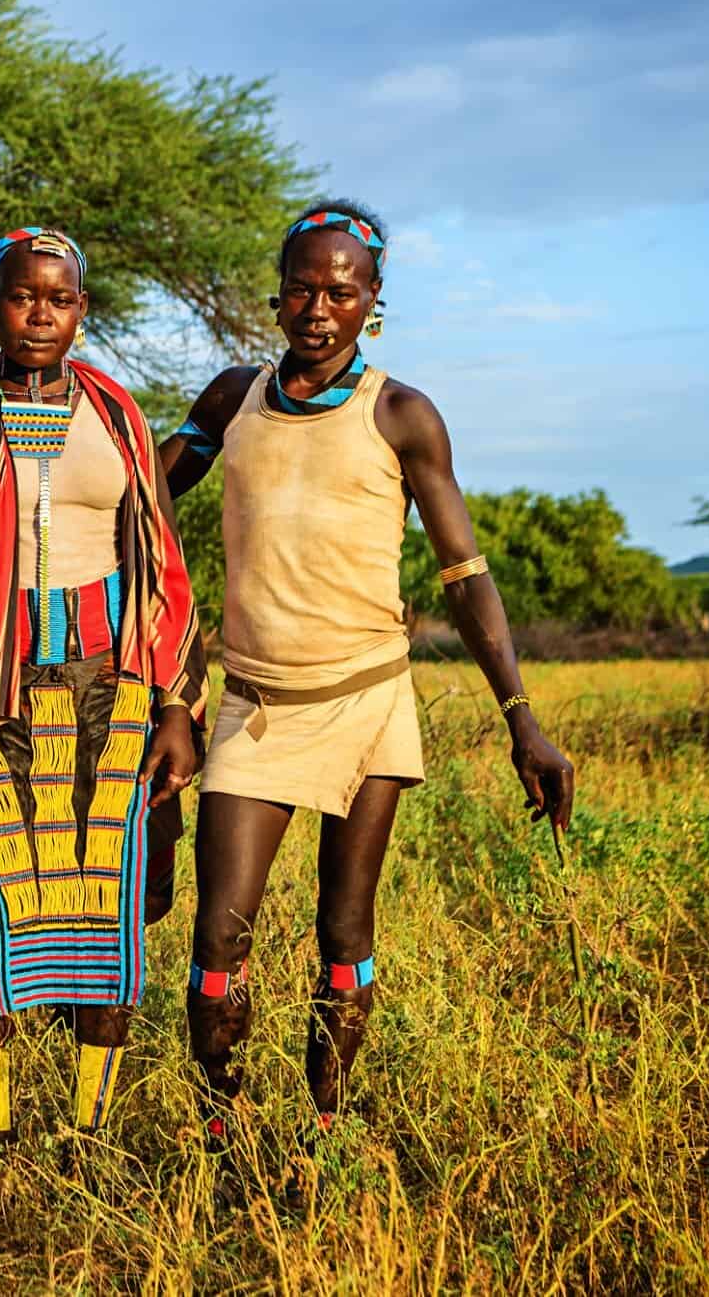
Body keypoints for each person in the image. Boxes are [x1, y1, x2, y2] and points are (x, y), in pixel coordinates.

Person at [160, 200, 576, 1156]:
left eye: (340, 291)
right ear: (275, 296)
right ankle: (225, 1137)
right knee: (217, 944)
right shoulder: (234, 399)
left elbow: (465, 575)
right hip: (255, 704)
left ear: (371, 302)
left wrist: (523, 720)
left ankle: (320, 1132)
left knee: (343, 930)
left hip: (366, 699)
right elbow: (142, 489)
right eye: (302, 287)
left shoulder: (400, 414)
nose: (319, 306)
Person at [0, 227, 202, 1147]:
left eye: (59, 298)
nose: (39, 313)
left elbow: (159, 558)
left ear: (82, 311)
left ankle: (85, 1132)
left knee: (110, 899)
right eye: (21, 295)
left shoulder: (116, 414)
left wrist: (172, 701)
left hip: (106, 683)